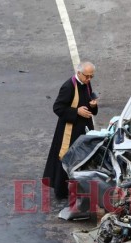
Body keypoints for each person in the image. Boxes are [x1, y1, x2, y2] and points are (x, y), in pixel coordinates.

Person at [43, 61, 99, 199]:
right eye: (87, 76)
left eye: (92, 76)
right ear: (79, 73)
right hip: (69, 130)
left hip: (83, 128)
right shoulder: (68, 87)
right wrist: (76, 112)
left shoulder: (86, 83)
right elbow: (58, 108)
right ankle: (61, 190)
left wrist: (93, 105)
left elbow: (88, 102)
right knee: (66, 158)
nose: (89, 79)